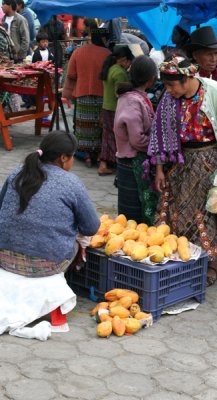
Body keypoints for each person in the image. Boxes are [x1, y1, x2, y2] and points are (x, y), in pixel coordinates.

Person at [148, 56, 217, 286]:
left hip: (210, 163)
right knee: (177, 213)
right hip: (180, 163)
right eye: (166, 86)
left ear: (187, 78)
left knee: (209, 213)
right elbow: (160, 135)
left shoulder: (215, 93)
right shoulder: (170, 99)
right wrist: (159, 169)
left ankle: (211, 264)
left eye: (172, 85)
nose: (168, 91)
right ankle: (181, 263)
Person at [0, 131, 100, 339]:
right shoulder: (70, 182)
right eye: (72, 156)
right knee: (82, 238)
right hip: (47, 264)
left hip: (5, 258)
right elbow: (91, 227)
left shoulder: (17, 172)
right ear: (63, 158)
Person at [114, 55, 158, 224]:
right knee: (132, 215)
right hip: (132, 163)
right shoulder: (132, 100)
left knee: (134, 213)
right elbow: (137, 140)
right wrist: (158, 144)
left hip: (133, 162)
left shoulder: (136, 97)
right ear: (151, 79)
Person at [64, 18, 110, 167]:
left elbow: (71, 75)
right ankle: (97, 156)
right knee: (98, 127)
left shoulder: (78, 52)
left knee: (83, 127)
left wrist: (67, 93)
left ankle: (87, 156)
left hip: (82, 95)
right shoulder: (107, 53)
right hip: (102, 96)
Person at [98, 45, 134, 176]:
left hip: (106, 107)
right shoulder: (120, 73)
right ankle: (119, 164)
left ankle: (103, 164)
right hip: (115, 109)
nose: (128, 65)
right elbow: (119, 93)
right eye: (129, 62)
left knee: (107, 137)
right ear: (124, 59)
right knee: (118, 137)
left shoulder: (110, 69)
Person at [184, 26, 217, 90]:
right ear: (195, 55)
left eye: (216, 53)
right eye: (209, 54)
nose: (214, 59)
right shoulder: (185, 77)